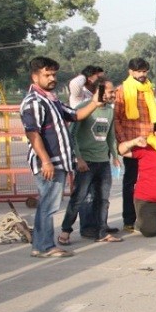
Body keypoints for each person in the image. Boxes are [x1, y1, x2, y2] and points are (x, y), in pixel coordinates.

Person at [21, 56, 109, 258]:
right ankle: (45, 246)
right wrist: (45, 161)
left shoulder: (51, 100)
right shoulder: (34, 102)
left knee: (48, 205)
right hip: (48, 163)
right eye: (47, 75)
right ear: (35, 77)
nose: (52, 78)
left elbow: (75, 115)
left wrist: (94, 103)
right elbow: (32, 133)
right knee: (48, 206)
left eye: (54, 74)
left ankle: (41, 245)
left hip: (57, 162)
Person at [59, 78, 120, 244]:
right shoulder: (83, 108)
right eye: (110, 91)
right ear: (99, 91)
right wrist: (78, 158)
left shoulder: (109, 111)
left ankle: (101, 232)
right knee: (79, 197)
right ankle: (65, 231)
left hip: (103, 162)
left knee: (103, 199)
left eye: (113, 91)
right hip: (86, 162)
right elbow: (72, 135)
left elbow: (110, 136)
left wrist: (115, 156)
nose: (113, 94)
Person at [112, 57, 156, 233]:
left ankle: (149, 218)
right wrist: (123, 142)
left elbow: (155, 116)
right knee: (131, 182)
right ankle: (129, 219)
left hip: (150, 141)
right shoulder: (122, 90)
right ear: (130, 72)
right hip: (132, 142)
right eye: (139, 71)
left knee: (149, 180)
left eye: (144, 71)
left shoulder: (148, 89)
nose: (142, 74)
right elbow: (116, 118)